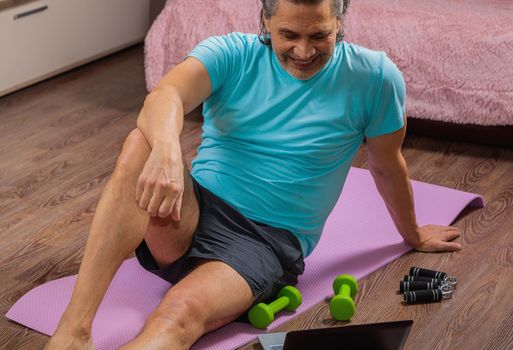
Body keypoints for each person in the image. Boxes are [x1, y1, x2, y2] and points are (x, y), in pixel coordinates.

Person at [45, 0, 462, 349]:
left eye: (319, 36)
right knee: (143, 141)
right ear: (266, 21)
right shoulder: (231, 53)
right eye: (288, 35)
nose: (303, 51)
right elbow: (166, 94)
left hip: (264, 242)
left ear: (340, 20)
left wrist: (412, 234)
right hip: (190, 214)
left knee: (177, 313)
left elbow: (387, 164)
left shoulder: (374, 78)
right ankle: (73, 331)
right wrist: (169, 149)